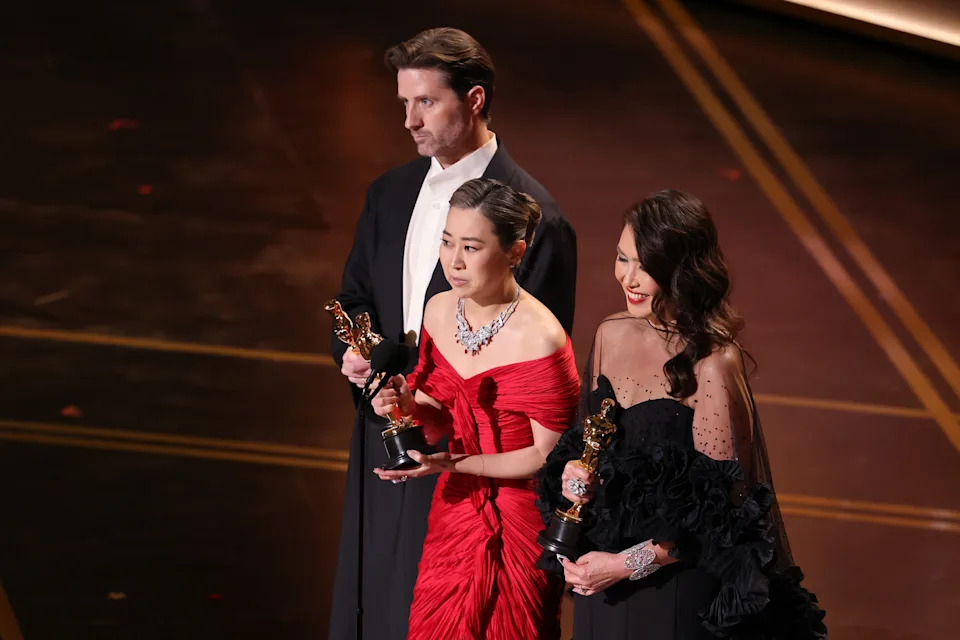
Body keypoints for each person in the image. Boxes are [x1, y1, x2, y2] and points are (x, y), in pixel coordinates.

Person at [328, 28, 578, 640]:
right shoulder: (389, 193)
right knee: (376, 602)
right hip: (387, 432)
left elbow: (533, 379)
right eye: (403, 103)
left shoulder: (538, 219)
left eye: (426, 102)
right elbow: (355, 297)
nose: (409, 121)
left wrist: (454, 450)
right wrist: (357, 354)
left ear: (474, 100)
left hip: (469, 465)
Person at [536, 190, 827, 639]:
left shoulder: (713, 364)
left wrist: (624, 565)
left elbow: (723, 515)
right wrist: (577, 472)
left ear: (682, 271)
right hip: (600, 580)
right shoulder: (610, 333)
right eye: (622, 258)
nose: (628, 278)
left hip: (670, 593)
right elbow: (586, 442)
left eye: (646, 266)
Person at [371, 178, 580, 639]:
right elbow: (437, 417)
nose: (454, 261)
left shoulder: (542, 339)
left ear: (515, 251)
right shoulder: (438, 310)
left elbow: (548, 455)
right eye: (447, 242)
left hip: (522, 516)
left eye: (471, 247)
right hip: (456, 503)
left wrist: (454, 463)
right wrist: (406, 406)